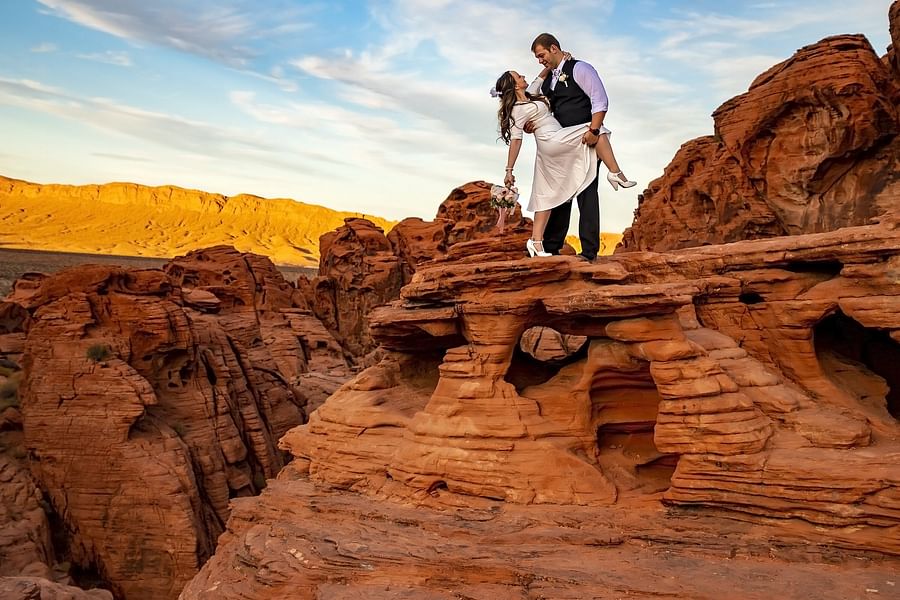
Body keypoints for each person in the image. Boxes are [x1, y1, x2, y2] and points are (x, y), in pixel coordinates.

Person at [521, 33, 634, 261]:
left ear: (554, 48)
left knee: (586, 193)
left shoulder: (581, 69)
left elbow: (599, 100)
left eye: (541, 55)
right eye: (537, 58)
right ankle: (551, 246)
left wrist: (594, 131)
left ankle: (589, 251)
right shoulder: (550, 79)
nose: (540, 60)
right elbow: (532, 97)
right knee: (560, 194)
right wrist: (531, 124)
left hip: (585, 140)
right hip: (563, 143)